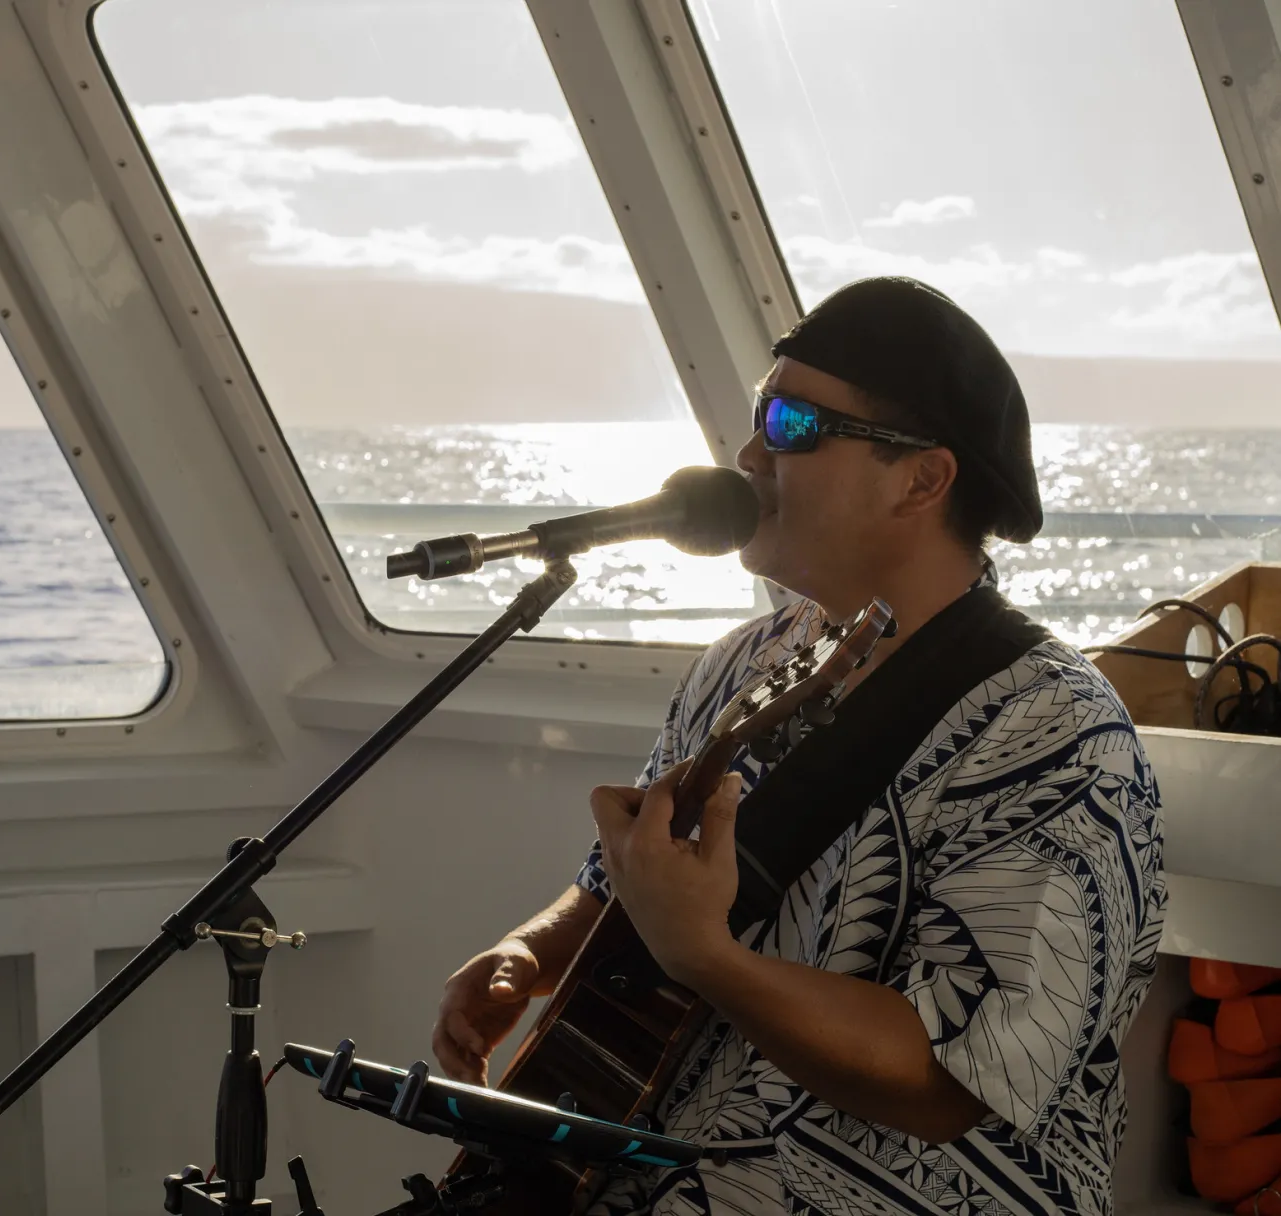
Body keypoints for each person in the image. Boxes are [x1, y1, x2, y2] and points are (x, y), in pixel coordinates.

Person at [430, 277, 1166, 1216]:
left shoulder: (1054, 731)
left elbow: (950, 1081)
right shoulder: (744, 660)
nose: (747, 454)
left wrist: (708, 958)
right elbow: (632, 887)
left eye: (791, 424)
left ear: (921, 480)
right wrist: (530, 952)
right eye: (757, 414)